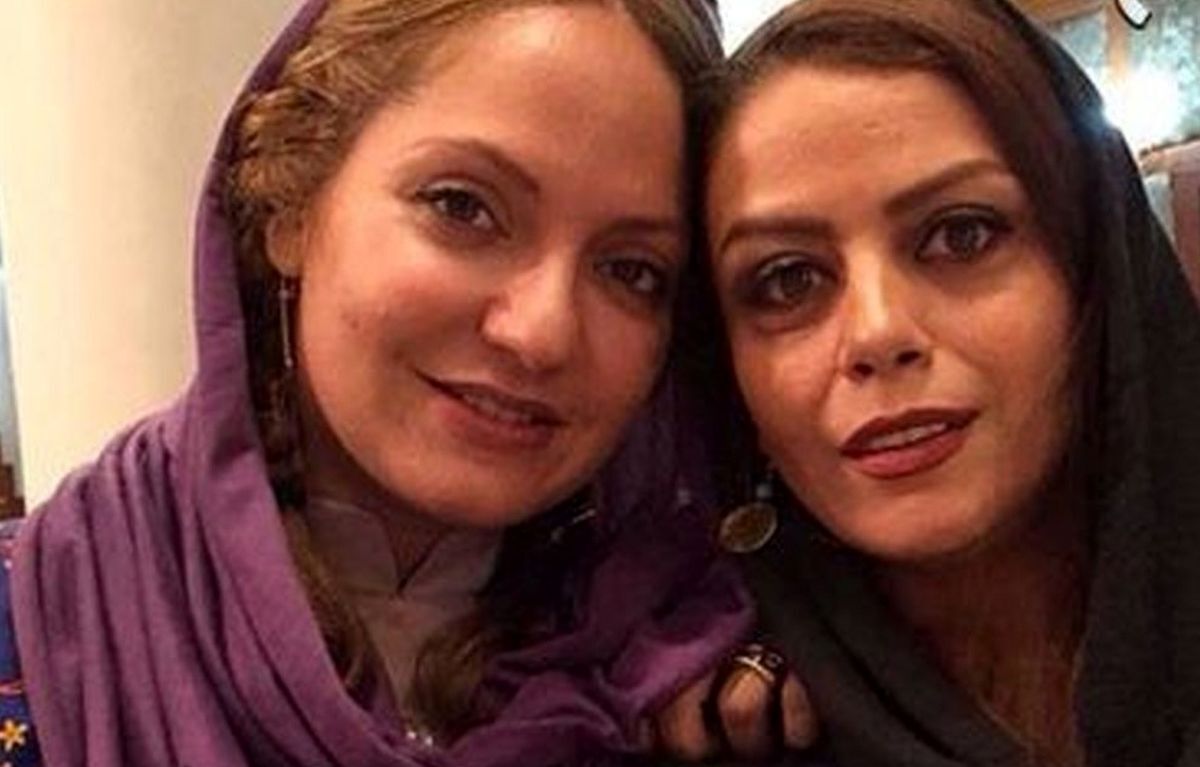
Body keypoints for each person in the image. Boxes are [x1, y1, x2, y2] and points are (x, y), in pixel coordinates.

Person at [0, 1, 764, 765]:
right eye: (463, 207)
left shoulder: (699, 668)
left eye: (631, 270)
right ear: (291, 205)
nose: (542, 332)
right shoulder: (40, 627)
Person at [700, 0, 1200, 765]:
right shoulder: (701, 722)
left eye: (961, 235)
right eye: (787, 278)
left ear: (1093, 270)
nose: (877, 332)